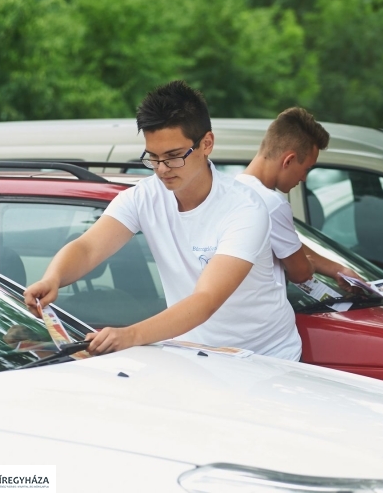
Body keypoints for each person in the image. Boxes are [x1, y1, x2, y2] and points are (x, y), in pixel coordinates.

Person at [23, 80, 301, 360]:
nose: (162, 169)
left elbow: (206, 300)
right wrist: (53, 277)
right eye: (153, 158)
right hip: (194, 353)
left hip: (266, 355)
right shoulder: (144, 197)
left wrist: (129, 336)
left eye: (174, 156)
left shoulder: (245, 208)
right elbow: (88, 247)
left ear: (207, 144)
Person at [235, 107, 361, 289]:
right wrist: (307, 265)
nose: (304, 178)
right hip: (266, 316)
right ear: (289, 160)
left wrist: (337, 269)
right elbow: (301, 273)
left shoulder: (233, 190)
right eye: (306, 169)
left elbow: (290, 247)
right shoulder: (270, 204)